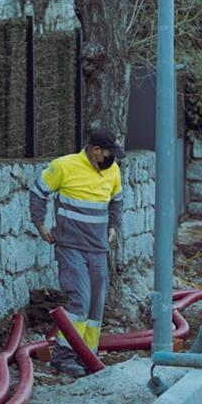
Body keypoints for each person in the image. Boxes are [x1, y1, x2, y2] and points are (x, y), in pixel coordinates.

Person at [29, 127, 126, 375]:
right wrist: (39, 224)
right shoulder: (64, 166)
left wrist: (114, 227)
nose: (112, 158)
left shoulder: (113, 171)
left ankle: (87, 354)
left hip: (98, 248)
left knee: (96, 303)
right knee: (80, 300)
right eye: (108, 153)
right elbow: (38, 191)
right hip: (70, 246)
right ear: (95, 151)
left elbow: (116, 201)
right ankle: (63, 355)